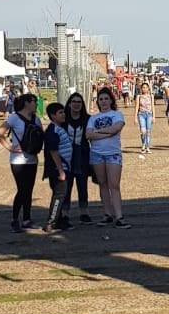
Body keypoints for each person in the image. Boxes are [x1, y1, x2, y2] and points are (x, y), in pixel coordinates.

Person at [0, 92, 43, 231]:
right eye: (33, 101)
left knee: (29, 190)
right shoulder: (14, 118)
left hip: (32, 159)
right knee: (22, 189)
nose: (36, 104)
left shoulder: (36, 119)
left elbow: (41, 135)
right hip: (18, 160)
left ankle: (27, 219)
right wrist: (9, 147)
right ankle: (15, 219)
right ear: (26, 103)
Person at [86, 87, 129, 227]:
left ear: (111, 100)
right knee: (102, 184)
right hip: (97, 154)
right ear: (97, 101)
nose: (103, 101)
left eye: (106, 98)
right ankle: (107, 213)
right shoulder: (93, 118)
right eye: (101, 99)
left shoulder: (117, 114)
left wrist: (98, 132)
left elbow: (116, 129)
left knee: (114, 185)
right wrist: (106, 133)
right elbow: (88, 135)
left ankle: (119, 216)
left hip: (113, 154)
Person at [42, 102, 73, 231]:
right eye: (60, 113)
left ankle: (59, 220)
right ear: (52, 116)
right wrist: (60, 170)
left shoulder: (59, 128)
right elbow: (53, 151)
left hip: (64, 167)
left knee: (61, 194)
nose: (63, 115)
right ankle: (51, 222)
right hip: (58, 169)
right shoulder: (52, 130)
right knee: (59, 195)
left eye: (63, 112)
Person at [62, 92, 92, 223]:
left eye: (79, 102)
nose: (76, 104)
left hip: (82, 156)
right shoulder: (63, 120)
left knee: (82, 184)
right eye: (74, 102)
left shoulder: (88, 119)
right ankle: (64, 213)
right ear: (69, 104)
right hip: (67, 156)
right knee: (66, 186)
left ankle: (84, 212)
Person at [134, 81, 155, 156]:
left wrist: (154, 116)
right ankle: (143, 144)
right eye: (143, 87)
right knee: (143, 130)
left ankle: (148, 147)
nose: (144, 89)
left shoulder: (151, 96)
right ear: (141, 89)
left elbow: (153, 106)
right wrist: (135, 118)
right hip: (141, 114)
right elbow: (136, 107)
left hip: (149, 114)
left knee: (148, 131)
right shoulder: (139, 96)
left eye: (146, 87)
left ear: (148, 88)